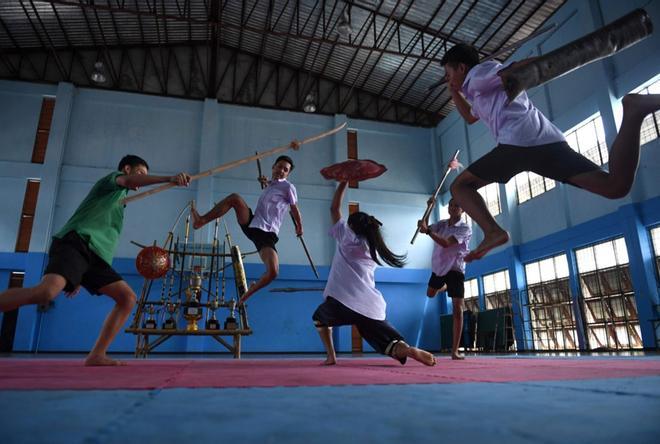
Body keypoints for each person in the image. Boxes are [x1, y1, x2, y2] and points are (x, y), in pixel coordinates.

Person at [442, 43, 660, 262]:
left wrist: (546, 61)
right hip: (544, 142)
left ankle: (493, 231)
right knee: (615, 186)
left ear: (461, 68)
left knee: (459, 186)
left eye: (448, 73)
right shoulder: (480, 93)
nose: (447, 79)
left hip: (518, 143)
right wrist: (453, 91)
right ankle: (634, 111)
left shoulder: (478, 75)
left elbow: (516, 70)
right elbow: (470, 117)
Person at [0, 155, 191, 366]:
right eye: (140, 174)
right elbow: (129, 181)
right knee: (46, 293)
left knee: (127, 298)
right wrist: (170, 179)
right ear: (127, 169)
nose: (141, 181)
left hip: (96, 258)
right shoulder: (112, 181)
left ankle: (96, 355)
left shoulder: (119, 203)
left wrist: (79, 275)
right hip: (76, 243)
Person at [312, 181, 437, 367]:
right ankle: (408, 350)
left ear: (352, 226)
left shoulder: (347, 239)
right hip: (371, 308)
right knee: (390, 345)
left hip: (343, 302)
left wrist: (344, 182)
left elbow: (334, 208)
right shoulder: (373, 248)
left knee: (319, 318)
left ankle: (331, 357)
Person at [191, 152, 303, 304]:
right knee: (235, 198)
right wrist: (265, 181)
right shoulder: (271, 184)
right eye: (279, 167)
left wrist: (299, 226)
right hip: (252, 223)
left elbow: (294, 209)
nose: (281, 170)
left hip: (265, 234)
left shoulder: (288, 187)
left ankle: (249, 293)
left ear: (288, 174)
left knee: (273, 272)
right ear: (273, 167)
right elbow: (269, 185)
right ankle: (201, 221)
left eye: (285, 169)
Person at [417, 198, 472, 360]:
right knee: (430, 294)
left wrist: (427, 231)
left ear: (463, 210)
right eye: (451, 205)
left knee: (457, 308)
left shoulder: (465, 228)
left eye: (457, 205)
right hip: (439, 267)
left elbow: (447, 243)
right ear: (448, 208)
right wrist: (428, 208)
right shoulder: (441, 224)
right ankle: (445, 287)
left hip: (455, 267)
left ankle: (455, 351)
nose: (454, 208)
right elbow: (425, 228)